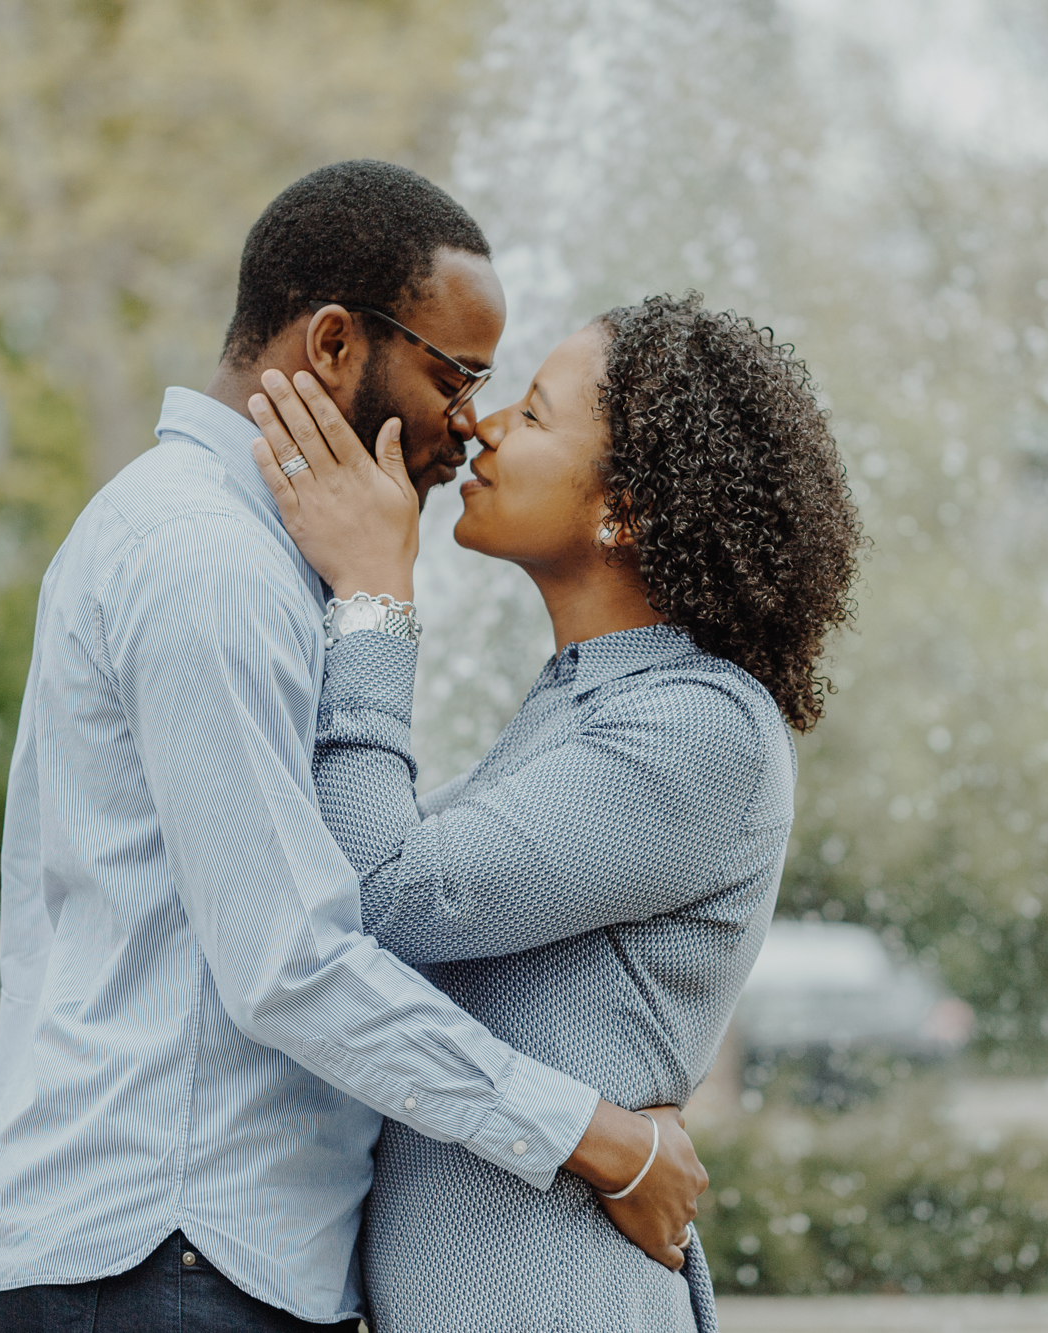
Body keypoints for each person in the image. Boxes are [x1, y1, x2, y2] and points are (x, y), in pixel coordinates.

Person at [0, 161, 707, 1332]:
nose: (469, 418)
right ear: (330, 345)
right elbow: (294, 962)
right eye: (454, 373)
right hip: (170, 1254)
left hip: (191, 1259)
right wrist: (593, 1135)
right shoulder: (206, 562)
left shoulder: (237, 552)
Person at [244, 291, 862, 1331]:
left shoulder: (698, 727)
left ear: (630, 508)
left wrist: (372, 599)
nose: (482, 423)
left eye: (530, 414)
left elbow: (384, 894)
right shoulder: (587, 701)